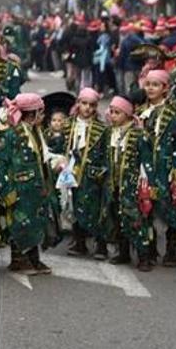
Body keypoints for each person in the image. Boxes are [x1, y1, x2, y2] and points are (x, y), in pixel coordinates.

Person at [0, 93, 56, 274]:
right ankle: (18, 260)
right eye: (41, 112)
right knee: (19, 224)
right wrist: (6, 190)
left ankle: (33, 258)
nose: (43, 116)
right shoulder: (12, 135)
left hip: (34, 190)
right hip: (18, 191)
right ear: (31, 114)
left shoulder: (36, 132)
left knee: (35, 224)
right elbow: (0, 164)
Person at [137, 69, 176, 268]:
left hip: (167, 168)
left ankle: (172, 249)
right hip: (146, 168)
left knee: (172, 207)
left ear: (165, 88)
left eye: (155, 85)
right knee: (145, 208)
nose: (150, 88)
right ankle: (149, 250)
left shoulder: (175, 114)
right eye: (148, 84)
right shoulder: (141, 112)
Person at [105, 96, 155, 271]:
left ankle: (144, 256)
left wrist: (146, 183)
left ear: (127, 114)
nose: (113, 115)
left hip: (131, 185)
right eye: (111, 112)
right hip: (114, 184)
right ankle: (123, 252)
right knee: (117, 219)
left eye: (117, 112)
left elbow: (146, 161)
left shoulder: (138, 134)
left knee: (136, 219)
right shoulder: (109, 132)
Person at [64, 88, 111, 259]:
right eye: (84, 103)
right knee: (75, 205)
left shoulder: (102, 129)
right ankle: (79, 242)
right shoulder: (68, 125)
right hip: (72, 173)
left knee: (96, 207)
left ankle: (101, 245)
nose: (87, 108)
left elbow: (106, 153)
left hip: (93, 175)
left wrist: (102, 171)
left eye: (92, 105)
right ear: (78, 103)